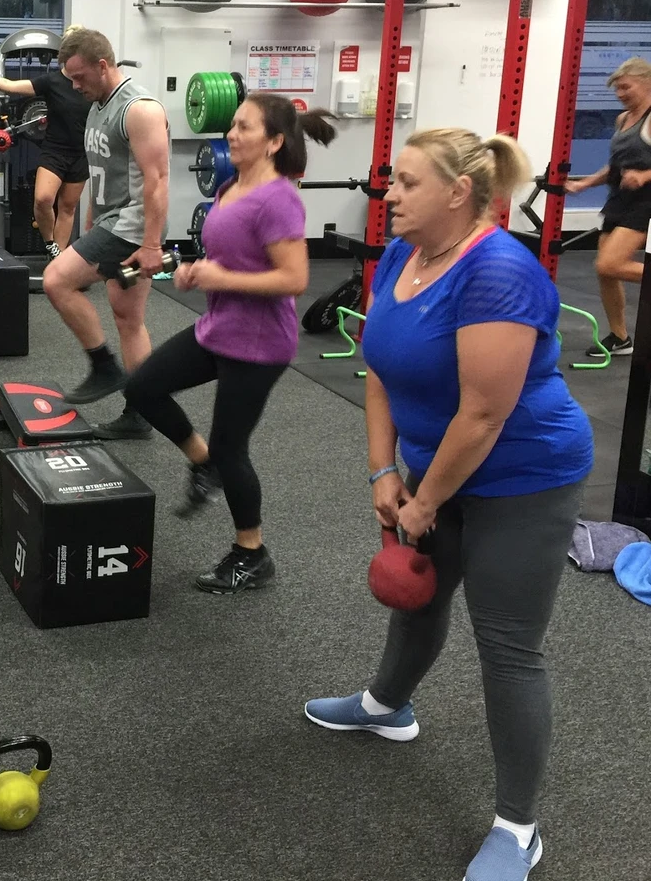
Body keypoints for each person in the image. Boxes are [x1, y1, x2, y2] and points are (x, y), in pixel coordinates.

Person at [303, 128, 593, 881]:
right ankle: (387, 706)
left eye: (407, 183)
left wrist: (425, 501)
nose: (389, 194)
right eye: (392, 181)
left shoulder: (499, 273)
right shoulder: (406, 253)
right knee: (420, 600)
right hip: (438, 469)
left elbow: (484, 415)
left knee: (508, 647)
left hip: (524, 476)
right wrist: (382, 472)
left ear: (460, 192)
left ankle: (519, 829)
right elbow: (378, 369)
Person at [124, 95, 335, 590]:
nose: (232, 135)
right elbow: (230, 257)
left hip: (259, 344)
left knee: (231, 447)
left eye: (244, 128)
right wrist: (194, 271)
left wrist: (222, 278)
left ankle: (252, 553)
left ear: (274, 142)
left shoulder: (279, 199)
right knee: (143, 388)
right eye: (233, 125)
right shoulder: (229, 186)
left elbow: (294, 279)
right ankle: (204, 463)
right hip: (219, 328)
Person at [42, 27, 169, 438]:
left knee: (56, 280)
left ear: (102, 65)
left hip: (131, 226)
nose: (75, 86)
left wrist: (152, 245)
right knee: (128, 318)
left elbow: (157, 181)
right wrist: (92, 221)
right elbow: (104, 172)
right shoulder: (98, 105)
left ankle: (103, 366)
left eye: (79, 77)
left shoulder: (139, 109)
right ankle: (142, 413)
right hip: (111, 221)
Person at [0, 40, 92, 259]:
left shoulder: (89, 84)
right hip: (54, 151)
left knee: (68, 207)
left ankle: (58, 258)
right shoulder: (52, 81)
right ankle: (50, 243)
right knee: (42, 200)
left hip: (80, 153)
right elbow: (10, 86)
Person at [564, 56, 651, 357]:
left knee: (609, 264)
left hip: (645, 202)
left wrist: (644, 175)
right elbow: (614, 167)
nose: (620, 94)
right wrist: (583, 184)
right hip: (619, 200)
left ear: (646, 83)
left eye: (626, 87)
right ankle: (620, 337)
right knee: (606, 273)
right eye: (617, 89)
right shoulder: (622, 120)